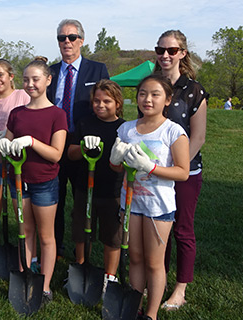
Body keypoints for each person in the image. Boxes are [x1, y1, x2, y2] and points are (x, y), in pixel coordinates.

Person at [110, 74, 191, 320]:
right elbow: (119, 168)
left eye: (155, 94)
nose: (148, 99)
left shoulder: (173, 131)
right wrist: (114, 161)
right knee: (135, 257)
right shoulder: (126, 129)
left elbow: (183, 172)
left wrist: (151, 167)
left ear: (167, 100)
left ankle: (151, 314)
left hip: (158, 206)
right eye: (143, 93)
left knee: (154, 262)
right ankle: (134, 307)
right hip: (131, 202)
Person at [0, 56, 68, 305]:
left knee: (46, 236)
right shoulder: (17, 113)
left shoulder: (57, 114)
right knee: (25, 232)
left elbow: (56, 154)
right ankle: (26, 276)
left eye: (35, 79)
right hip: (19, 182)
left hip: (45, 182)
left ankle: (44, 286)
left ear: (48, 80)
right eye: (26, 79)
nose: (30, 84)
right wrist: (3, 143)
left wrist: (33, 142)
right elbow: (9, 143)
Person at [151, 30, 209, 311]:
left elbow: (198, 137)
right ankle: (156, 281)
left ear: (182, 53)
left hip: (185, 173)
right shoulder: (149, 85)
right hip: (154, 171)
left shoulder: (194, 91)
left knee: (182, 230)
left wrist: (178, 166)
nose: (165, 55)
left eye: (171, 50)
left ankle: (180, 290)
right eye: (160, 50)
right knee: (159, 228)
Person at [46, 19, 111, 259]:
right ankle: (55, 246)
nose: (66, 42)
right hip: (54, 144)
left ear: (81, 40)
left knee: (83, 198)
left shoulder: (98, 70)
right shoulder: (50, 73)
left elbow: (107, 103)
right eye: (61, 38)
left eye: (71, 37)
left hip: (84, 144)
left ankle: (82, 248)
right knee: (55, 198)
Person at [66, 79, 126, 285]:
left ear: (118, 103)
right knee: (82, 231)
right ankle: (81, 267)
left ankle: (110, 276)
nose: (100, 105)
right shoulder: (85, 123)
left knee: (112, 235)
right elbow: (71, 153)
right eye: (96, 101)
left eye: (107, 101)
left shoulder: (124, 128)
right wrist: (83, 148)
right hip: (85, 188)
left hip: (113, 190)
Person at [0, 59, 31, 270]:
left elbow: (31, 123)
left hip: (18, 164)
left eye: (1, 75)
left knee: (21, 212)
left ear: (11, 76)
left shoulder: (22, 96)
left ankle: (28, 257)